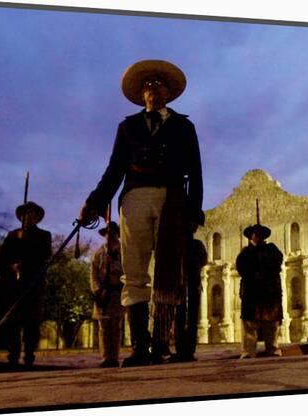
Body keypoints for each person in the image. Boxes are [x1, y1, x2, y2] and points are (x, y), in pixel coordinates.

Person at [78, 59, 204, 367]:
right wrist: (94, 202)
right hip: (134, 197)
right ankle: (140, 347)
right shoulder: (127, 127)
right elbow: (114, 170)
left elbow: (196, 173)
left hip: (173, 198)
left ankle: (161, 342)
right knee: (133, 270)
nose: (153, 91)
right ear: (141, 94)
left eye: (158, 85)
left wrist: (193, 212)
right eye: (147, 86)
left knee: (168, 273)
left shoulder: (184, 126)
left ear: (168, 92)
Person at [0, 201, 52, 368]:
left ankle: (29, 356)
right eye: (25, 214)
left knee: (31, 322)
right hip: (14, 285)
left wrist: (26, 242)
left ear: (36, 218)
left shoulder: (44, 235)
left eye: (32, 214)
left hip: (33, 284)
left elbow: (44, 256)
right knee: (13, 321)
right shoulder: (12, 235)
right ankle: (12, 356)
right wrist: (11, 266)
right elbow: (2, 258)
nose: (28, 217)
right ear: (21, 217)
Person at [235, 223, 284, 359]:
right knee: (250, 324)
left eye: (259, 234)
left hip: (269, 292)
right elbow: (241, 268)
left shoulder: (271, 249)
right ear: (251, 236)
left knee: (271, 323)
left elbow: (277, 262)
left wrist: (264, 264)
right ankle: (247, 351)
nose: (257, 236)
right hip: (252, 293)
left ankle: (273, 348)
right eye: (255, 234)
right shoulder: (245, 253)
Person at [171, 217, 208, 362]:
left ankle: (187, 349)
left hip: (191, 284)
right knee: (181, 316)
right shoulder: (180, 245)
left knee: (190, 317)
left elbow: (203, 260)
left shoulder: (195, 245)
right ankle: (182, 349)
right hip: (182, 284)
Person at [90, 221, 125, 368]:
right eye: (107, 234)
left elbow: (125, 270)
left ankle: (114, 357)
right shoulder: (98, 253)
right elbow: (93, 274)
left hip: (117, 291)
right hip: (103, 293)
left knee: (115, 326)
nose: (110, 237)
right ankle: (106, 357)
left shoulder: (123, 252)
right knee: (103, 327)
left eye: (112, 234)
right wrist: (98, 290)